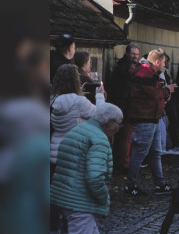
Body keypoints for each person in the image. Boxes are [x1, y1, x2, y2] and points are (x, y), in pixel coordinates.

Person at [50, 64, 105, 233]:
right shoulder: (80, 102)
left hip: (55, 156)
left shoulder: (52, 100)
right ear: (76, 79)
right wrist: (100, 97)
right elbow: (102, 114)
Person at [50, 103, 122, 234]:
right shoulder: (99, 139)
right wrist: (103, 198)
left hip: (62, 197)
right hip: (80, 203)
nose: (118, 129)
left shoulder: (76, 131)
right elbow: (95, 177)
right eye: (118, 124)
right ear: (110, 122)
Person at [125, 48, 176, 196]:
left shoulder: (150, 73)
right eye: (164, 62)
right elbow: (153, 94)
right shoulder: (145, 73)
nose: (165, 66)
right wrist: (168, 90)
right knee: (140, 154)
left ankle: (160, 184)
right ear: (158, 61)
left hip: (152, 118)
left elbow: (154, 93)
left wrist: (165, 91)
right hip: (145, 119)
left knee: (155, 153)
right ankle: (131, 185)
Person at [108, 43, 140, 173]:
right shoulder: (123, 70)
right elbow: (122, 93)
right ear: (127, 53)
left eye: (137, 55)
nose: (135, 57)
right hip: (125, 109)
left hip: (126, 108)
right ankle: (124, 164)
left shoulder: (125, 68)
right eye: (133, 54)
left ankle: (123, 162)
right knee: (125, 138)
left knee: (125, 138)